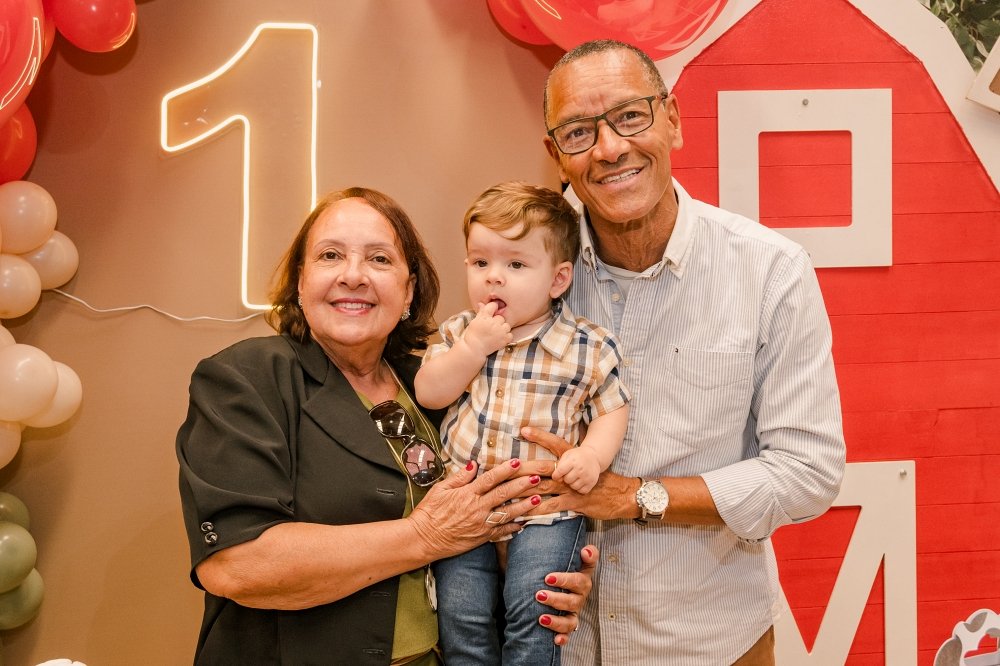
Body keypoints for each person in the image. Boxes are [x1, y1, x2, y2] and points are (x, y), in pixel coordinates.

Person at [517, 40, 847, 665]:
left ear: (672, 119)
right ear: (555, 153)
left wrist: (635, 496)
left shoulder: (769, 271)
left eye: (630, 116)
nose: (609, 148)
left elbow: (808, 471)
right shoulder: (522, 269)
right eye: (579, 132)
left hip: (715, 643)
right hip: (559, 646)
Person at [176, 187, 598, 665]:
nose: (353, 275)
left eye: (379, 259)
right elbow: (236, 565)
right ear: (300, 281)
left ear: (408, 290)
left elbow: (475, 532)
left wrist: (540, 577)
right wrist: (425, 536)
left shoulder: (440, 384)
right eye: (330, 255)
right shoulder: (247, 377)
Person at [414, 181, 630, 666]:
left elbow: (612, 408)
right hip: (465, 504)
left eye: (515, 265)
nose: (494, 277)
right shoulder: (459, 331)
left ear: (558, 279)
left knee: (535, 608)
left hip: (545, 509)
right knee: (461, 614)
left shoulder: (587, 345)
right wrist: (473, 348)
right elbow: (430, 392)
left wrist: (591, 456)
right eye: (480, 262)